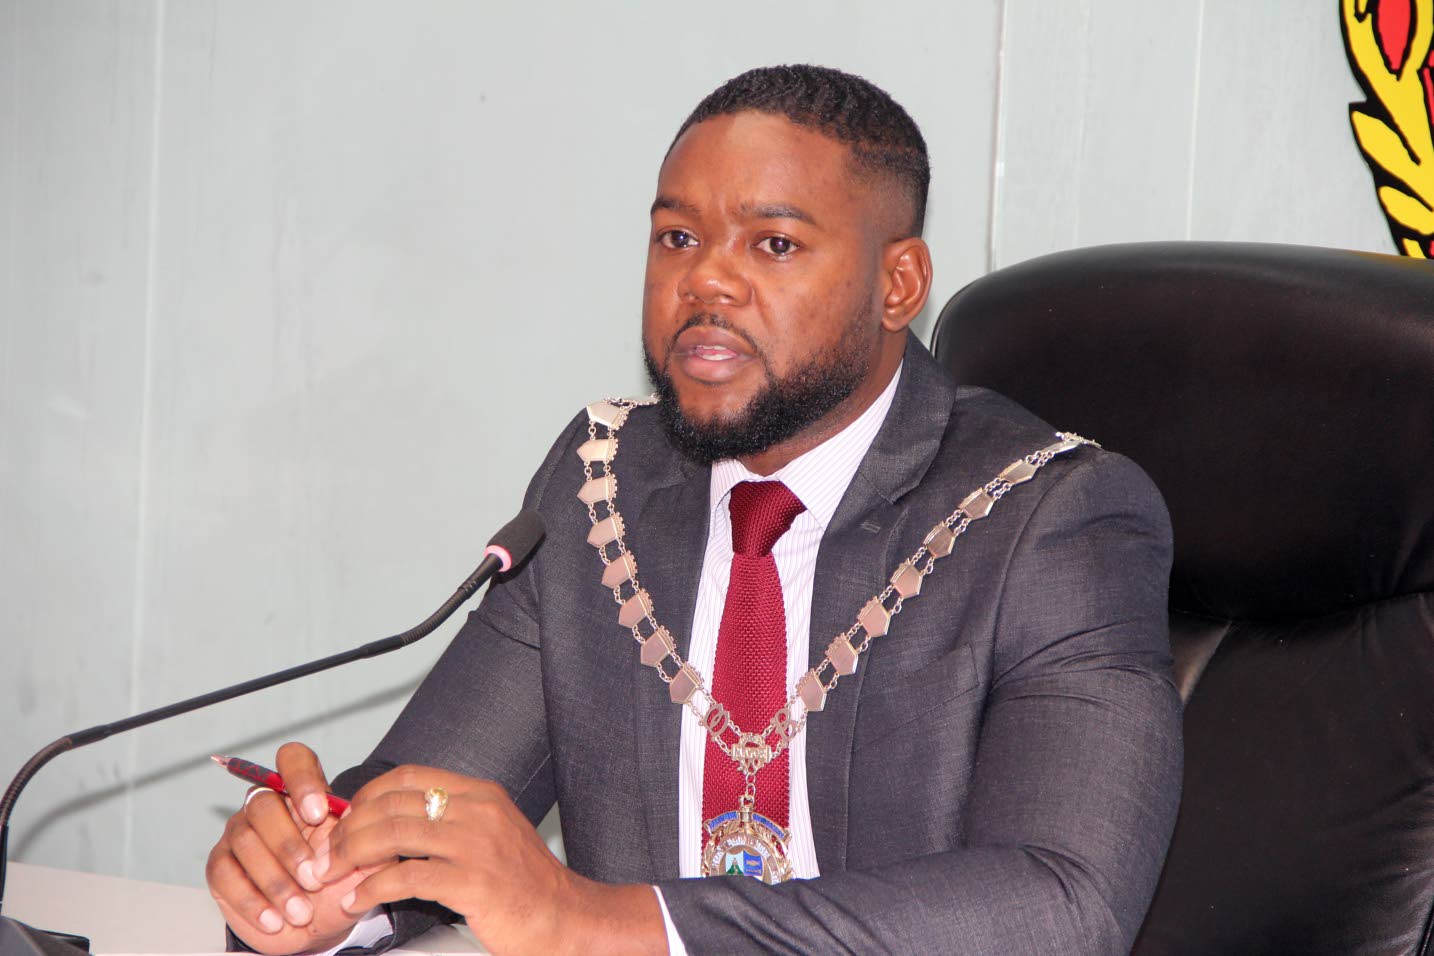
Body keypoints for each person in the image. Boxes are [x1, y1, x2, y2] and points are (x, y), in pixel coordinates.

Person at [205, 64, 1182, 955]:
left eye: (774, 243)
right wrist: (320, 883)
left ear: (898, 285)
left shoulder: (1048, 515)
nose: (704, 279)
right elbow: (430, 803)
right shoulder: (601, 483)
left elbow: (1062, 903)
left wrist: (594, 920)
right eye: (677, 237)